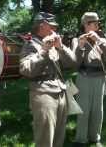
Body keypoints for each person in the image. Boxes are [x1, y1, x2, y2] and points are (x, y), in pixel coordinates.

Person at [19, 12, 76, 147]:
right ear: (42, 25)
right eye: (52, 26)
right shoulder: (31, 44)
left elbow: (73, 63)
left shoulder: (55, 43)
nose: (55, 29)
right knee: (45, 137)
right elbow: (26, 70)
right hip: (43, 93)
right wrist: (44, 51)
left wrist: (61, 47)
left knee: (59, 135)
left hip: (60, 91)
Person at [72, 12, 106, 147]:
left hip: (100, 78)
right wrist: (80, 46)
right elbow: (74, 62)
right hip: (84, 77)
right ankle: (81, 139)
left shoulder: (102, 38)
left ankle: (95, 137)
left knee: (98, 110)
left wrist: (99, 41)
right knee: (84, 109)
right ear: (86, 25)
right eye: (95, 22)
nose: (98, 25)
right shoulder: (77, 40)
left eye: (98, 22)